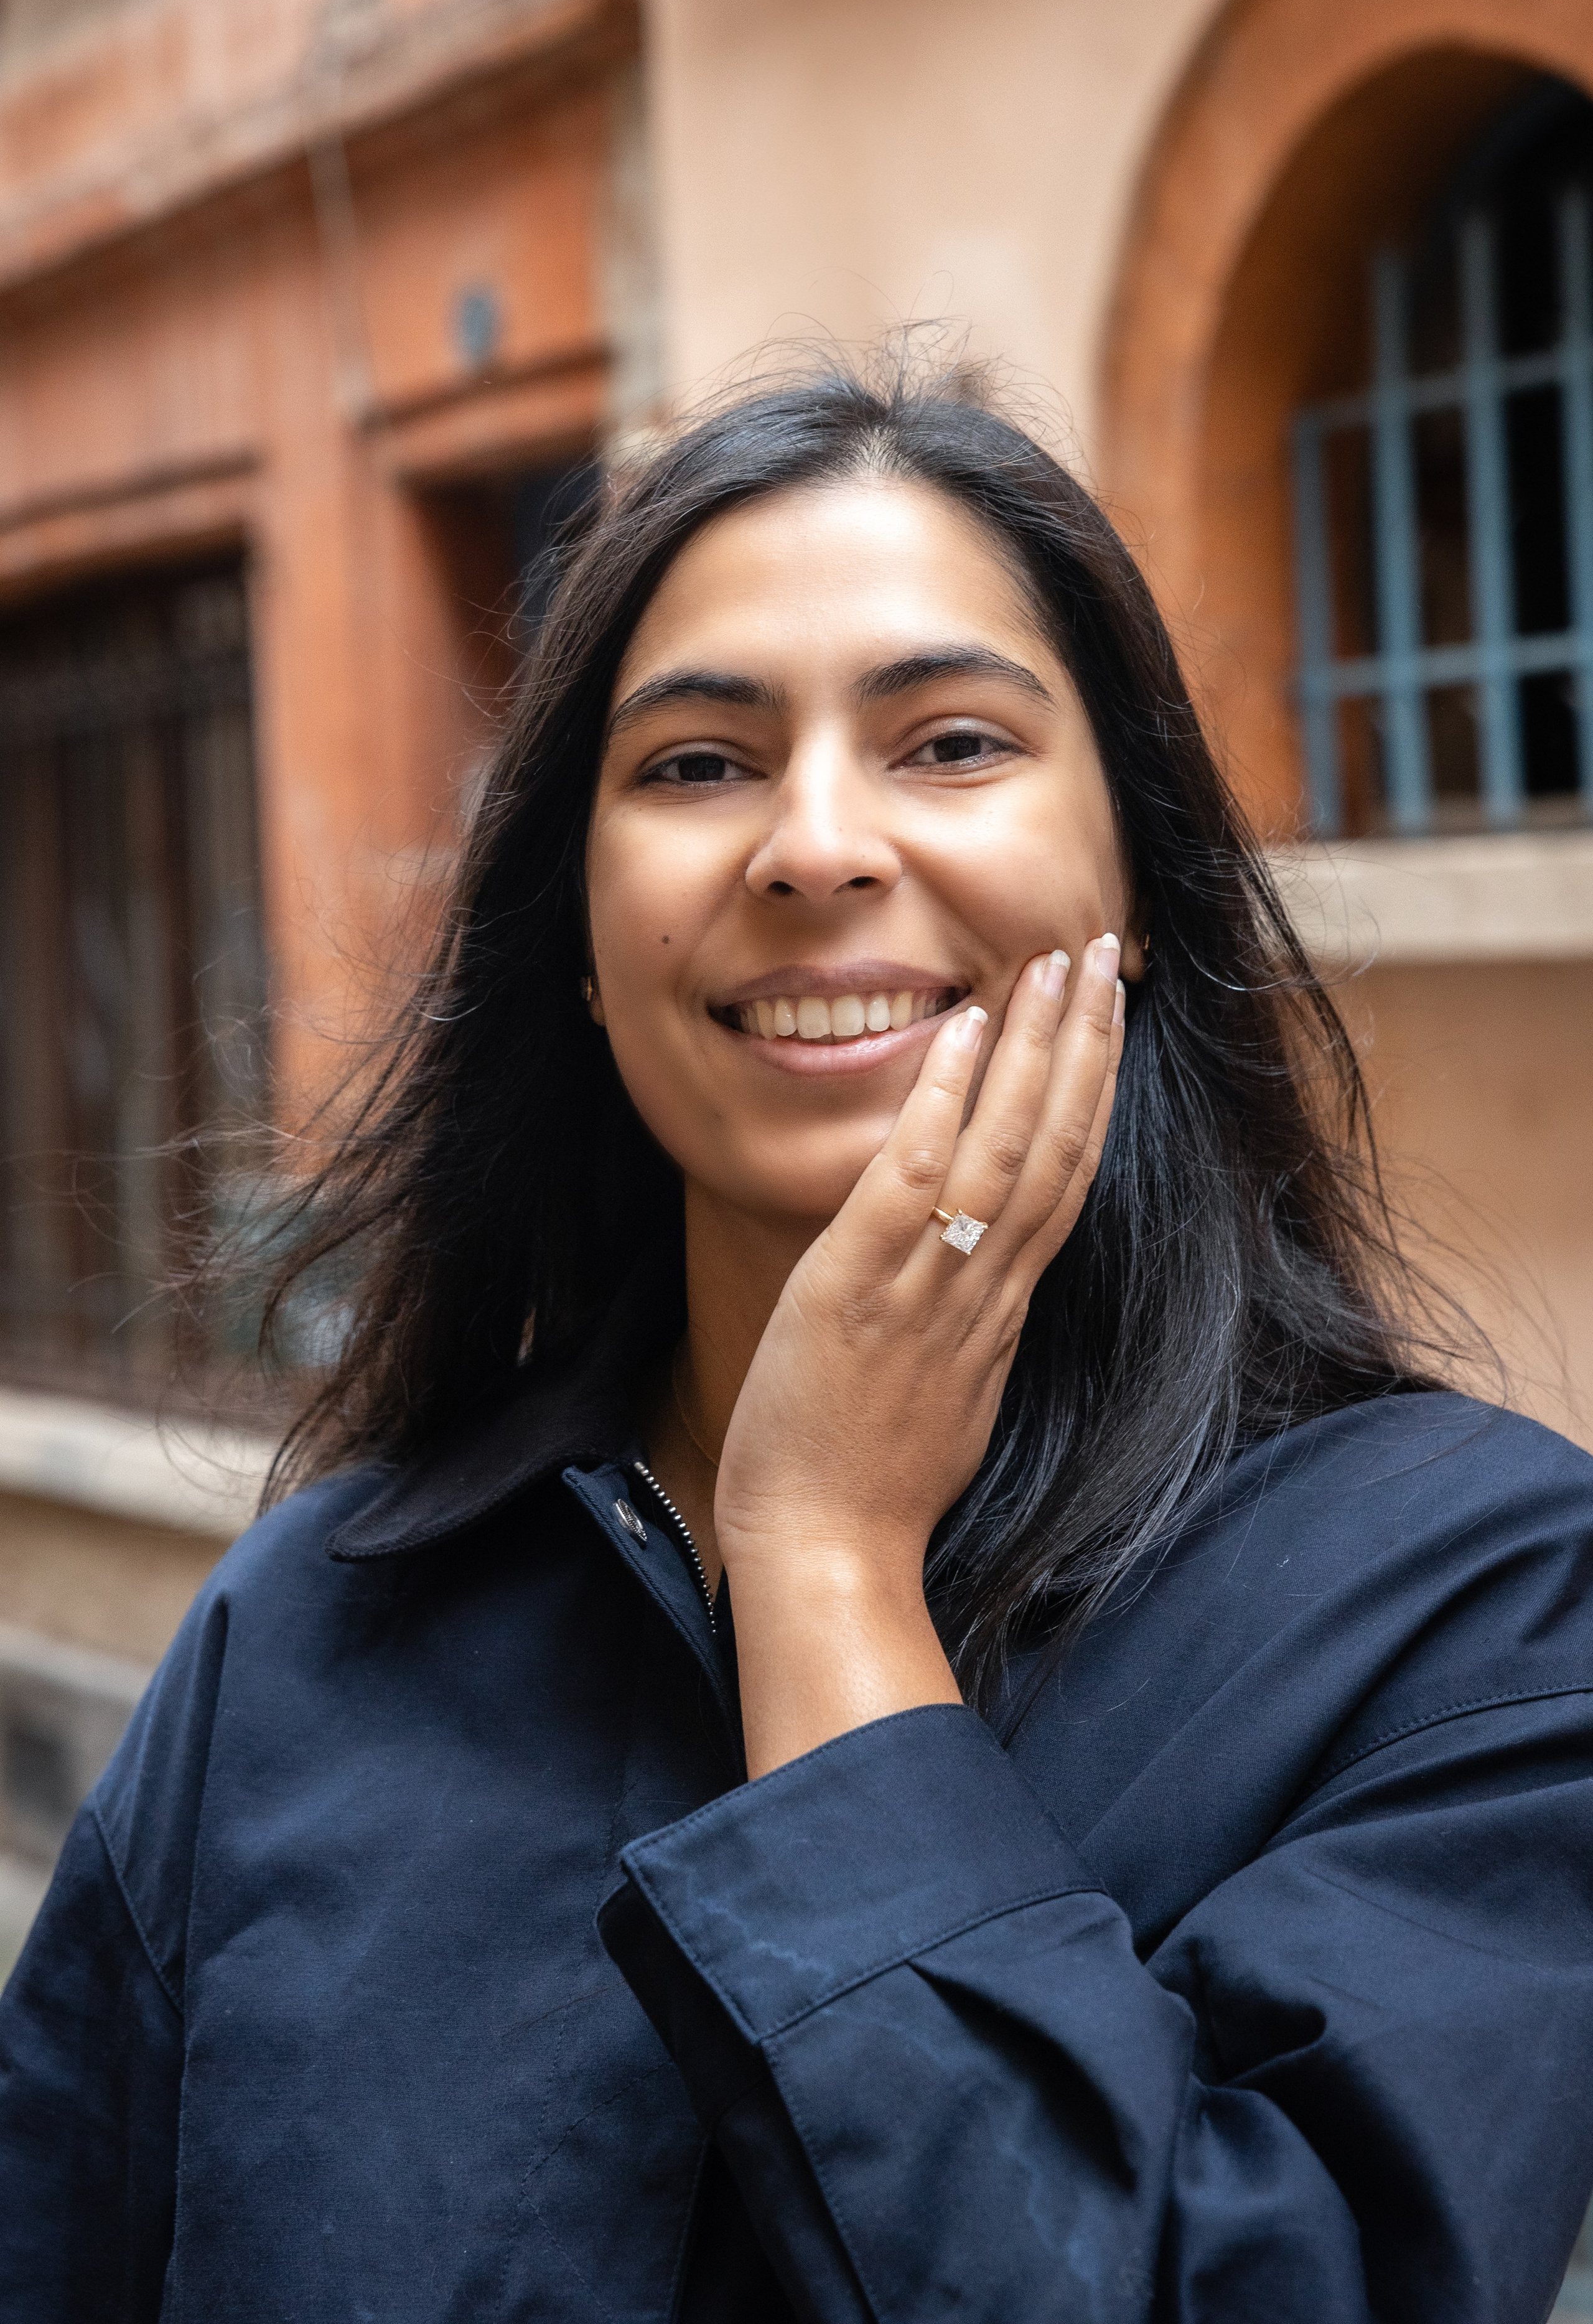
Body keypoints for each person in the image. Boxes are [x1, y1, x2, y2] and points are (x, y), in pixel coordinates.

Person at [4, 357, 1592, 2323]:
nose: (817, 847)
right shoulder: (312, 1631)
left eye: (948, 744)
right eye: (696, 765)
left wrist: (828, 1559)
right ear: (582, 950)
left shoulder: (1481, 1617)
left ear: (1140, 890)